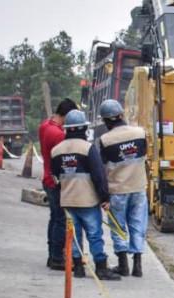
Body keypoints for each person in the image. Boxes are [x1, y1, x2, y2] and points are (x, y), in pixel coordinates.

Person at [50, 110, 120, 281]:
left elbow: (55, 176)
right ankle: (101, 268)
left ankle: (78, 268)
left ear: (67, 129)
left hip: (68, 201)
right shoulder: (88, 148)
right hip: (88, 201)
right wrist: (104, 197)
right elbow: (98, 175)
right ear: (83, 128)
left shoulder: (56, 151)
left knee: (74, 235)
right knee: (94, 234)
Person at [97, 99, 149, 278]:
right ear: (121, 115)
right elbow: (144, 156)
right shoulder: (140, 133)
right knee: (138, 225)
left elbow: (102, 169)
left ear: (105, 120)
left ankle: (123, 265)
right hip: (139, 188)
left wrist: (102, 195)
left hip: (117, 191)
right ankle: (138, 266)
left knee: (118, 226)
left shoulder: (105, 140)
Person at [39, 99, 78, 270]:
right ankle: (57, 258)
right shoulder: (58, 135)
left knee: (54, 218)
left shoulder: (45, 125)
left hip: (47, 178)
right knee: (61, 220)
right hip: (56, 182)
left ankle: (52, 255)